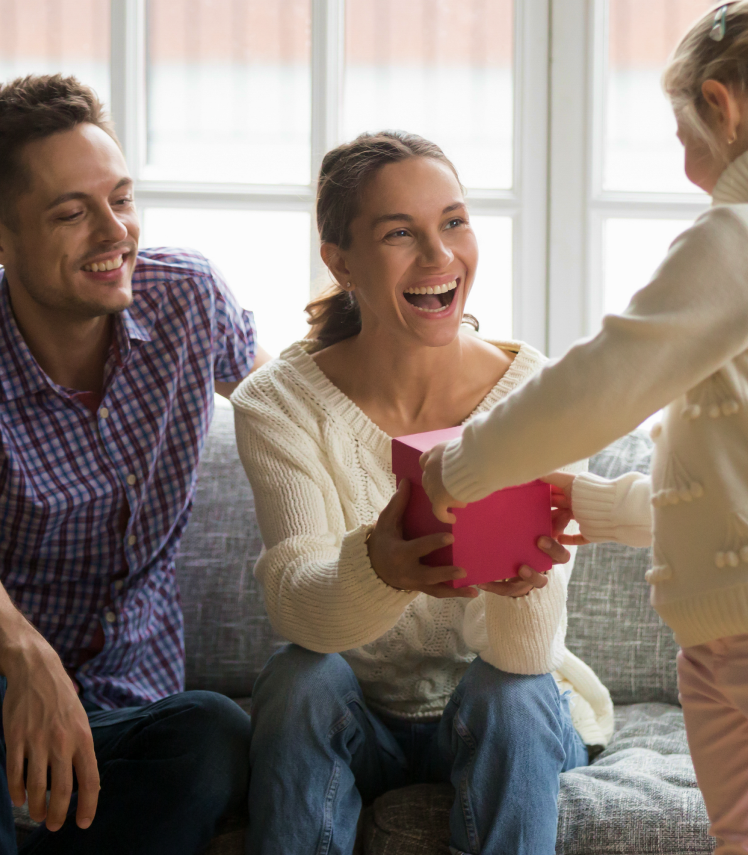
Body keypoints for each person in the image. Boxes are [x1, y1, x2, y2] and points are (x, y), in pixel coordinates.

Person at [421, 0, 748, 855]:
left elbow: (605, 381)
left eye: (683, 130)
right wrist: (604, 506)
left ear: (720, 107)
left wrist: (464, 468)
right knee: (747, 843)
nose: (684, 154)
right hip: (731, 628)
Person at [0, 74, 271, 854]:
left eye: (122, 199)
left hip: (122, 721)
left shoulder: (185, 299)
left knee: (215, 734)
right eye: (72, 213)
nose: (115, 233)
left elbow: (294, 414)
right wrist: (25, 657)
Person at [230, 131, 613, 855]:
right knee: (298, 677)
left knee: (512, 693)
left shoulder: (541, 396)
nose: (440, 257)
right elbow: (297, 603)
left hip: (502, 704)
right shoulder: (278, 404)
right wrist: (377, 566)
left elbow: (524, 662)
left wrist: (522, 588)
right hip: (357, 716)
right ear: (340, 262)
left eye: (454, 223)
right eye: (400, 233)